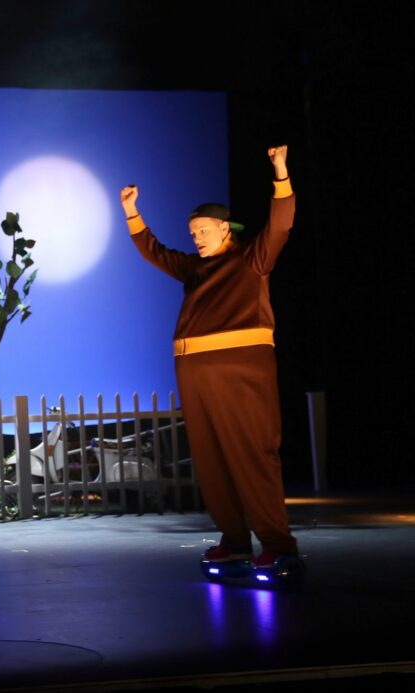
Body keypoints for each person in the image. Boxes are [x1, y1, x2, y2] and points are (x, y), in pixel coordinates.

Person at [120, 145, 301, 570]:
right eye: (193, 232)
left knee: (252, 451)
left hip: (241, 371)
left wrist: (280, 172)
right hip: (194, 372)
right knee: (211, 458)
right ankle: (235, 540)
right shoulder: (194, 269)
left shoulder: (252, 258)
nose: (197, 238)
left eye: (203, 230)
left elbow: (280, 225)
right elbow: (155, 251)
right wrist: (131, 212)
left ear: (225, 228)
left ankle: (277, 543)